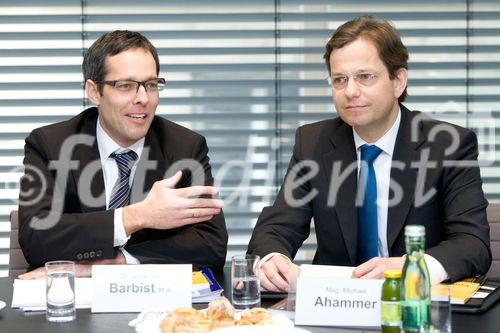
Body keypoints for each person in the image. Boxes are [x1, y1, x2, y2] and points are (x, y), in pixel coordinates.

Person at [247, 16, 491, 292]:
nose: (350, 91)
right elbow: (277, 227)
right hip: (333, 306)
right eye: (339, 79)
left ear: (398, 81)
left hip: (414, 306)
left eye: (365, 77)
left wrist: (413, 266)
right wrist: (272, 259)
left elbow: (472, 243)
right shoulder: (313, 143)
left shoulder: (448, 145)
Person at [18, 30, 227, 277]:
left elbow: (211, 245)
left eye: (150, 85)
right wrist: (133, 217)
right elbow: (36, 238)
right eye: (126, 85)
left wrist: (118, 262)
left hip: (154, 301)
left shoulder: (185, 147)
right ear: (94, 91)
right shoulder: (51, 145)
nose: (143, 98)